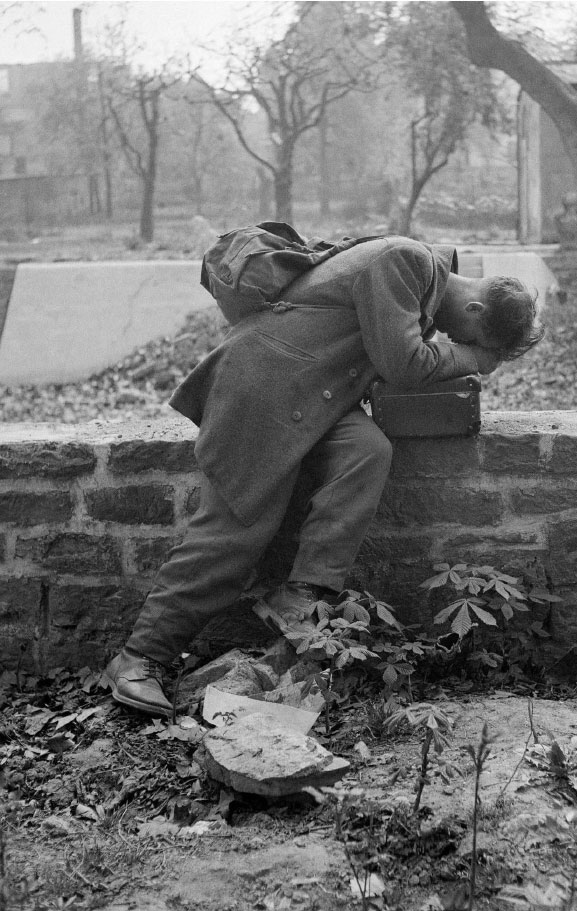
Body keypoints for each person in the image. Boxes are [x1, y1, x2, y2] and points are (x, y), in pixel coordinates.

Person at [103, 235, 544, 716]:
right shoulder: (407, 262)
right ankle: (138, 659)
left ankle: (301, 592)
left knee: (367, 450)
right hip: (264, 388)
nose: (459, 346)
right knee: (236, 533)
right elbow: (404, 363)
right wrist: (474, 361)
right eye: (470, 340)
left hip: (315, 397)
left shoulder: (424, 285)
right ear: (476, 308)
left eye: (467, 348)